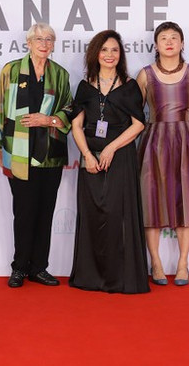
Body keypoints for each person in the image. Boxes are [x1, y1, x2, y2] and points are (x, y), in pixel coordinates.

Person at [0, 23, 72, 288]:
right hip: (19, 152)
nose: (44, 43)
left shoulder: (60, 74)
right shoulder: (11, 70)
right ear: (28, 42)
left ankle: (39, 268)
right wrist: (1, 149)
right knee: (24, 212)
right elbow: (0, 109)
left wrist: (48, 119)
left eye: (49, 39)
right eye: (39, 39)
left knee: (45, 212)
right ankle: (19, 268)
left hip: (51, 154)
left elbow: (69, 108)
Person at [69, 30, 150, 294]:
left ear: (121, 55)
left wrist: (112, 148)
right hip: (90, 156)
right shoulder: (84, 87)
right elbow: (77, 126)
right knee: (92, 214)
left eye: (114, 50)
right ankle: (90, 277)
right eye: (104, 50)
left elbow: (138, 124)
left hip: (121, 155)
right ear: (95, 54)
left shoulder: (129, 85)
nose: (109, 55)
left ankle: (121, 278)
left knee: (119, 214)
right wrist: (88, 156)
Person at [136, 21, 189, 286]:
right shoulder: (145, 75)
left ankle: (183, 264)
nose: (169, 42)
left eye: (174, 38)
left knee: (187, 202)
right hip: (154, 142)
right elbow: (136, 113)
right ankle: (156, 264)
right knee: (151, 202)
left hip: (186, 143)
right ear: (156, 45)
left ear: (182, 44)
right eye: (163, 38)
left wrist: (188, 132)